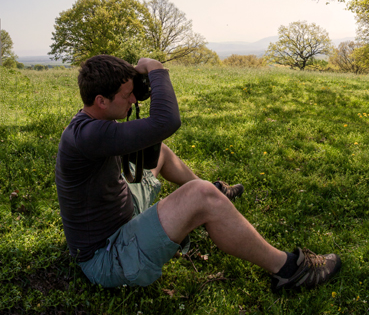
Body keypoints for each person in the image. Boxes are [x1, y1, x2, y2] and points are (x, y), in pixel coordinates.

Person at [54, 54, 341, 291]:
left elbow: (153, 136)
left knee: (160, 152)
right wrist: (156, 69)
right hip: (106, 256)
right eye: (128, 96)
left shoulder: (90, 123)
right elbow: (167, 120)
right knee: (199, 194)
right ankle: (289, 270)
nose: (133, 102)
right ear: (102, 100)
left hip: (122, 211)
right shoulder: (88, 136)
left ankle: (215, 198)